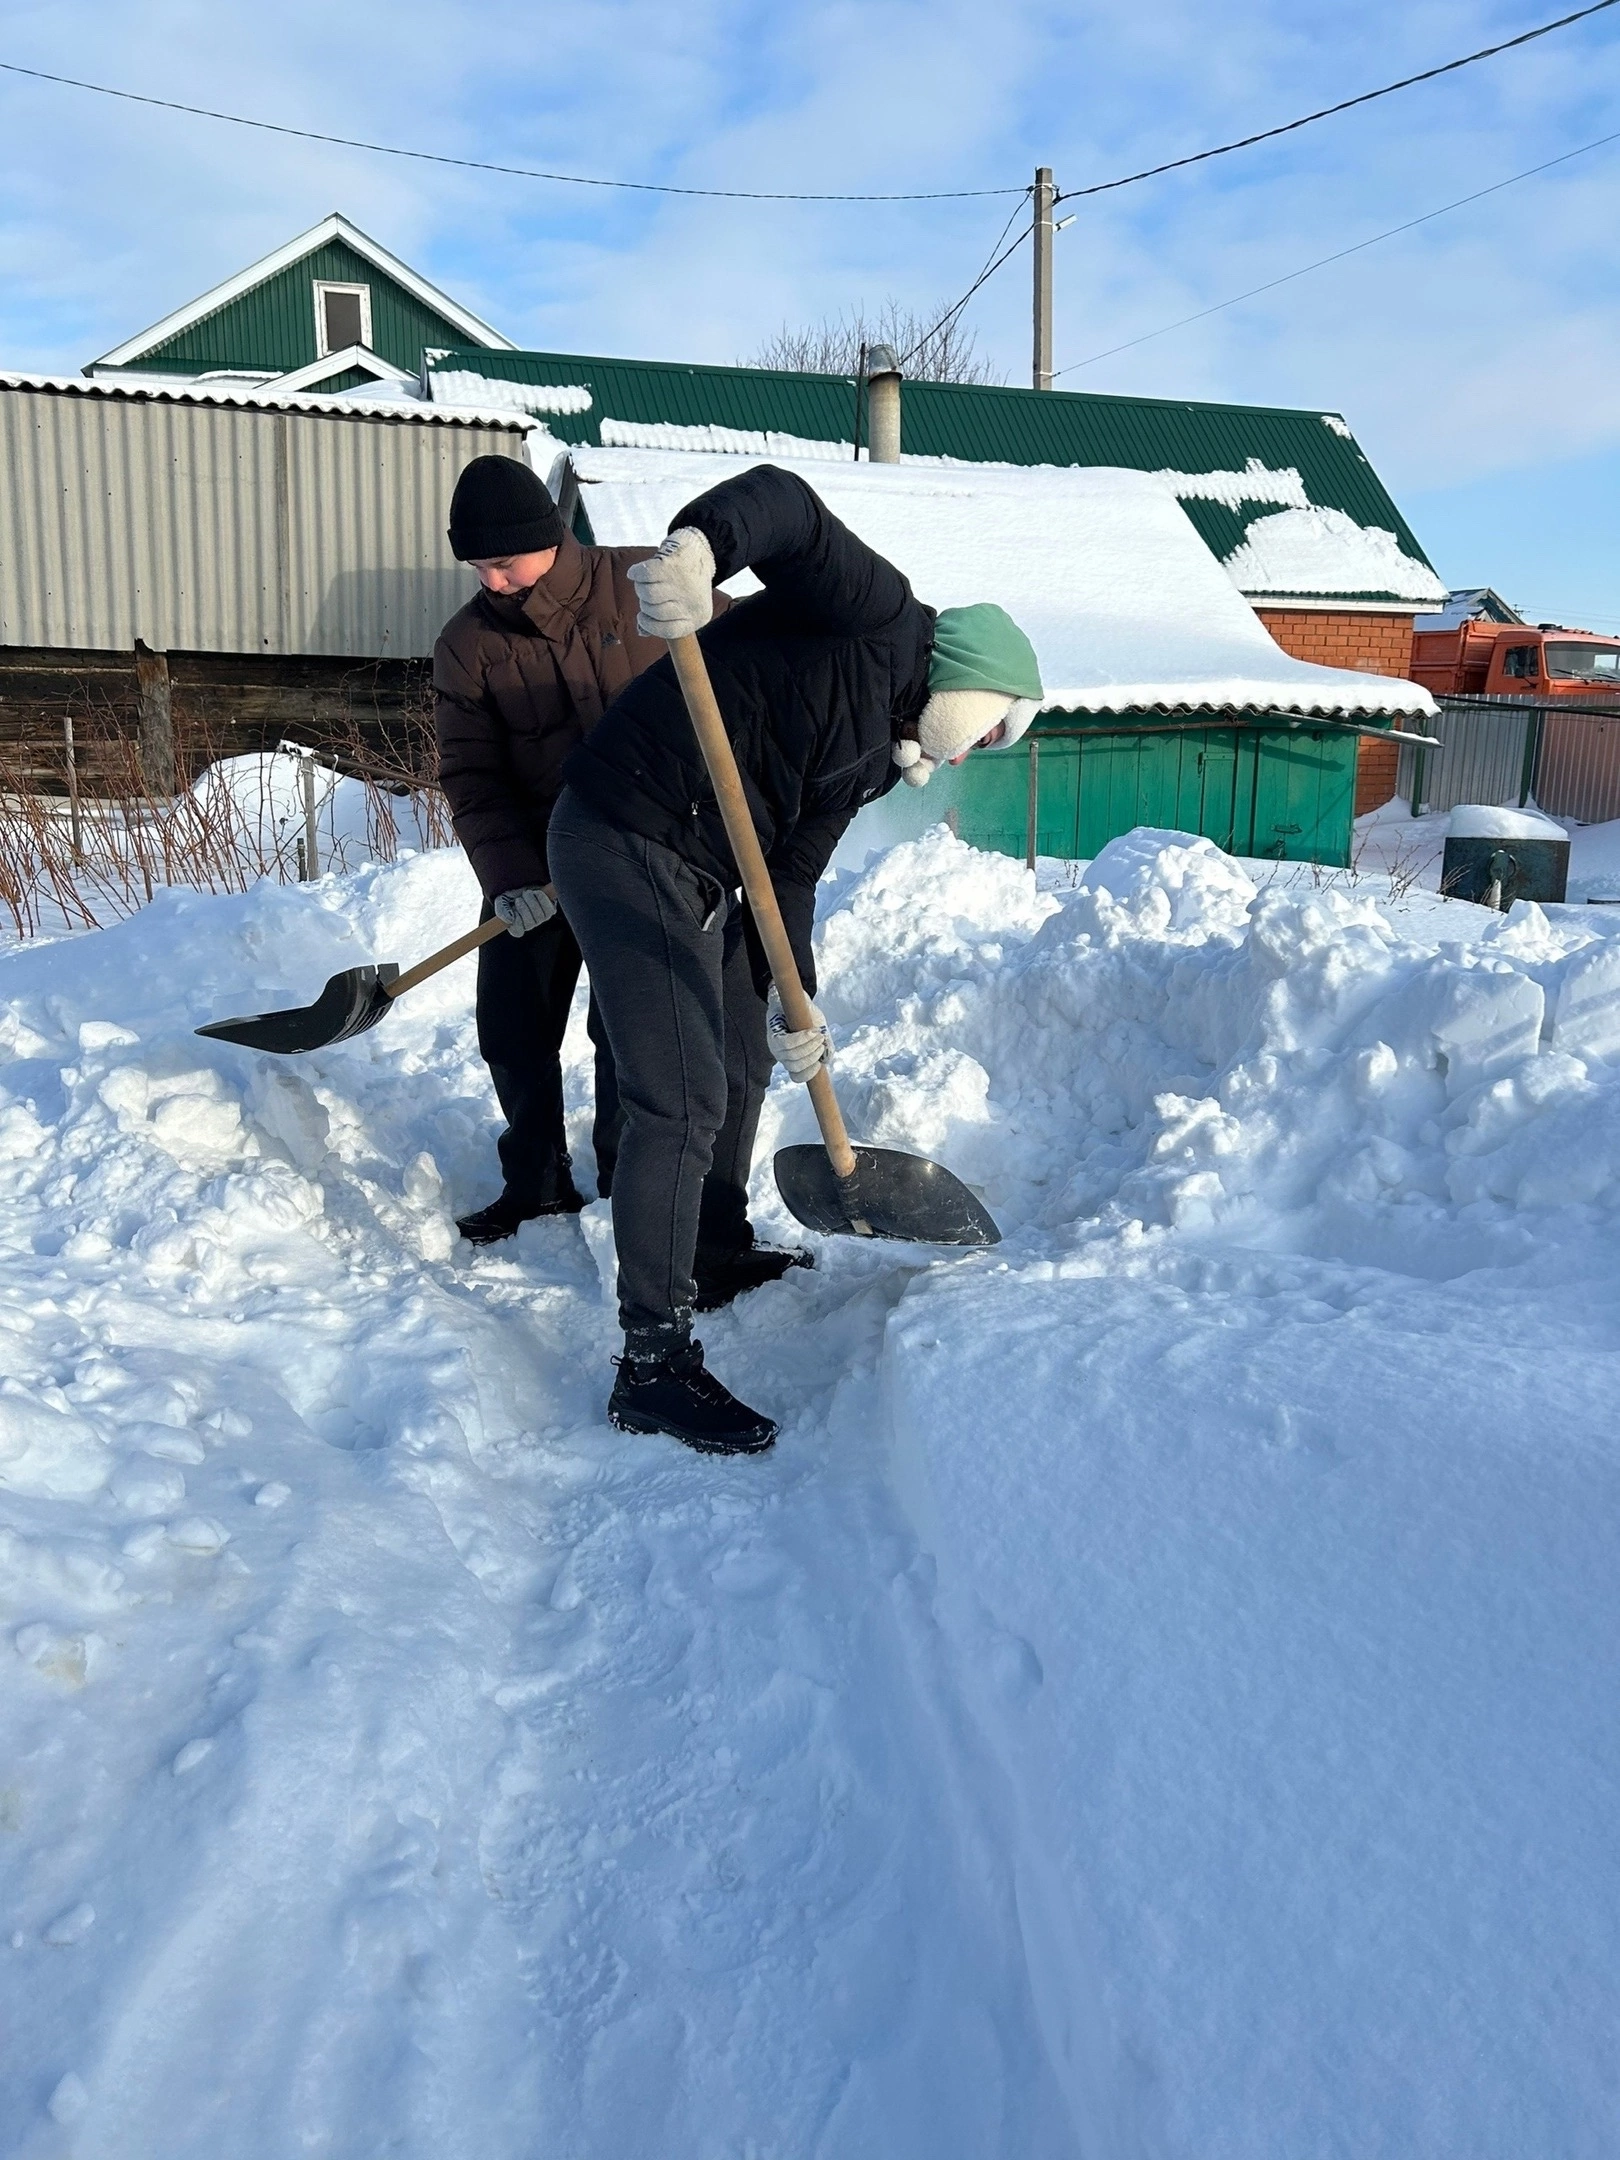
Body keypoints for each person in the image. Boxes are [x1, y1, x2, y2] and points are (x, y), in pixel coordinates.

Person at [548, 464, 1044, 1456]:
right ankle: (651, 1362)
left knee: (741, 1056)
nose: (971, 753)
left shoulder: (876, 753)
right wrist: (702, 548)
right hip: (621, 828)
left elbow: (791, 879)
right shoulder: (879, 616)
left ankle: (717, 1246)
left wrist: (791, 1000)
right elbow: (787, 509)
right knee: (680, 1097)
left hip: (698, 864)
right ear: (974, 680)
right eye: (989, 727)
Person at [434, 454, 697, 1243]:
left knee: (624, 1035)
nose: (492, 582)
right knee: (512, 1028)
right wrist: (510, 878)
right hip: (535, 866)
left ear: (547, 539)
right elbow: (471, 775)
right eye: (479, 567)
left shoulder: (646, 584)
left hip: (644, 858)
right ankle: (536, 1185)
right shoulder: (468, 643)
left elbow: (755, 671)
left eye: (503, 564)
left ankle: (625, 1190)